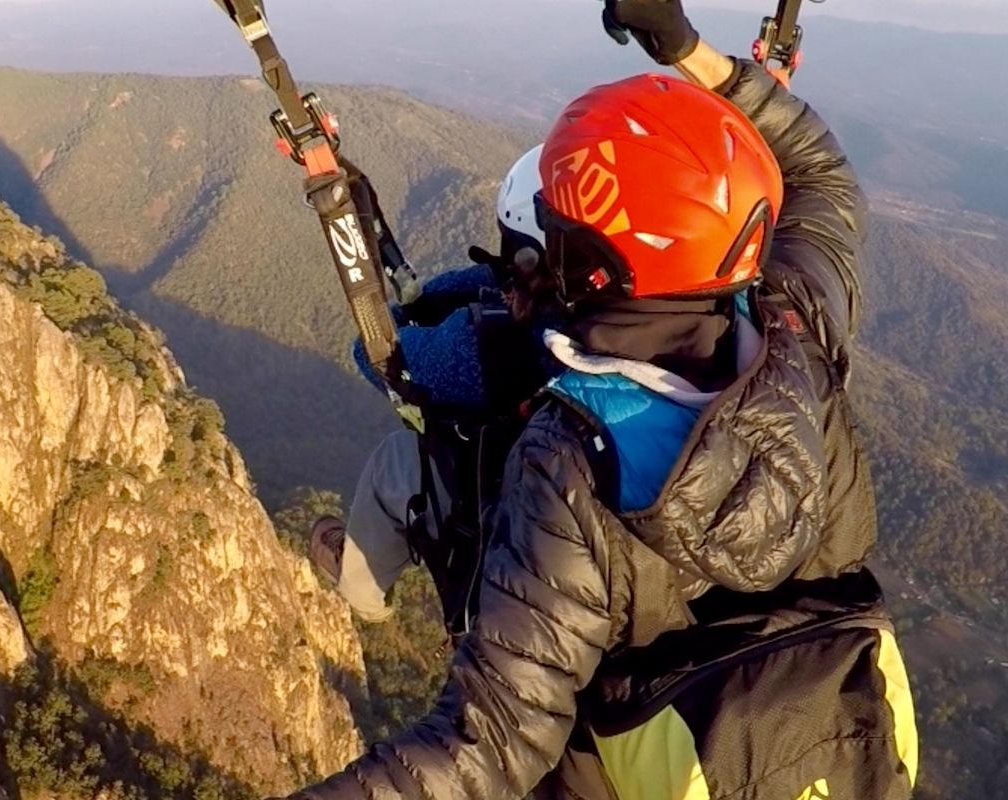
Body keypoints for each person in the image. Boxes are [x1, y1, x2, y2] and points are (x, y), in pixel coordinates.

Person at [291, 1, 917, 798]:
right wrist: (694, 55)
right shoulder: (802, 337)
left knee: (408, 469)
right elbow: (821, 174)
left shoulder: (571, 463)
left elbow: (487, 750)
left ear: (584, 264)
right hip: (841, 755)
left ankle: (358, 580)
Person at [310, 144, 558, 635]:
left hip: (510, 530)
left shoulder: (488, 350)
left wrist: (418, 307)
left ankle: (362, 587)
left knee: (400, 458)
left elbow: (380, 354)